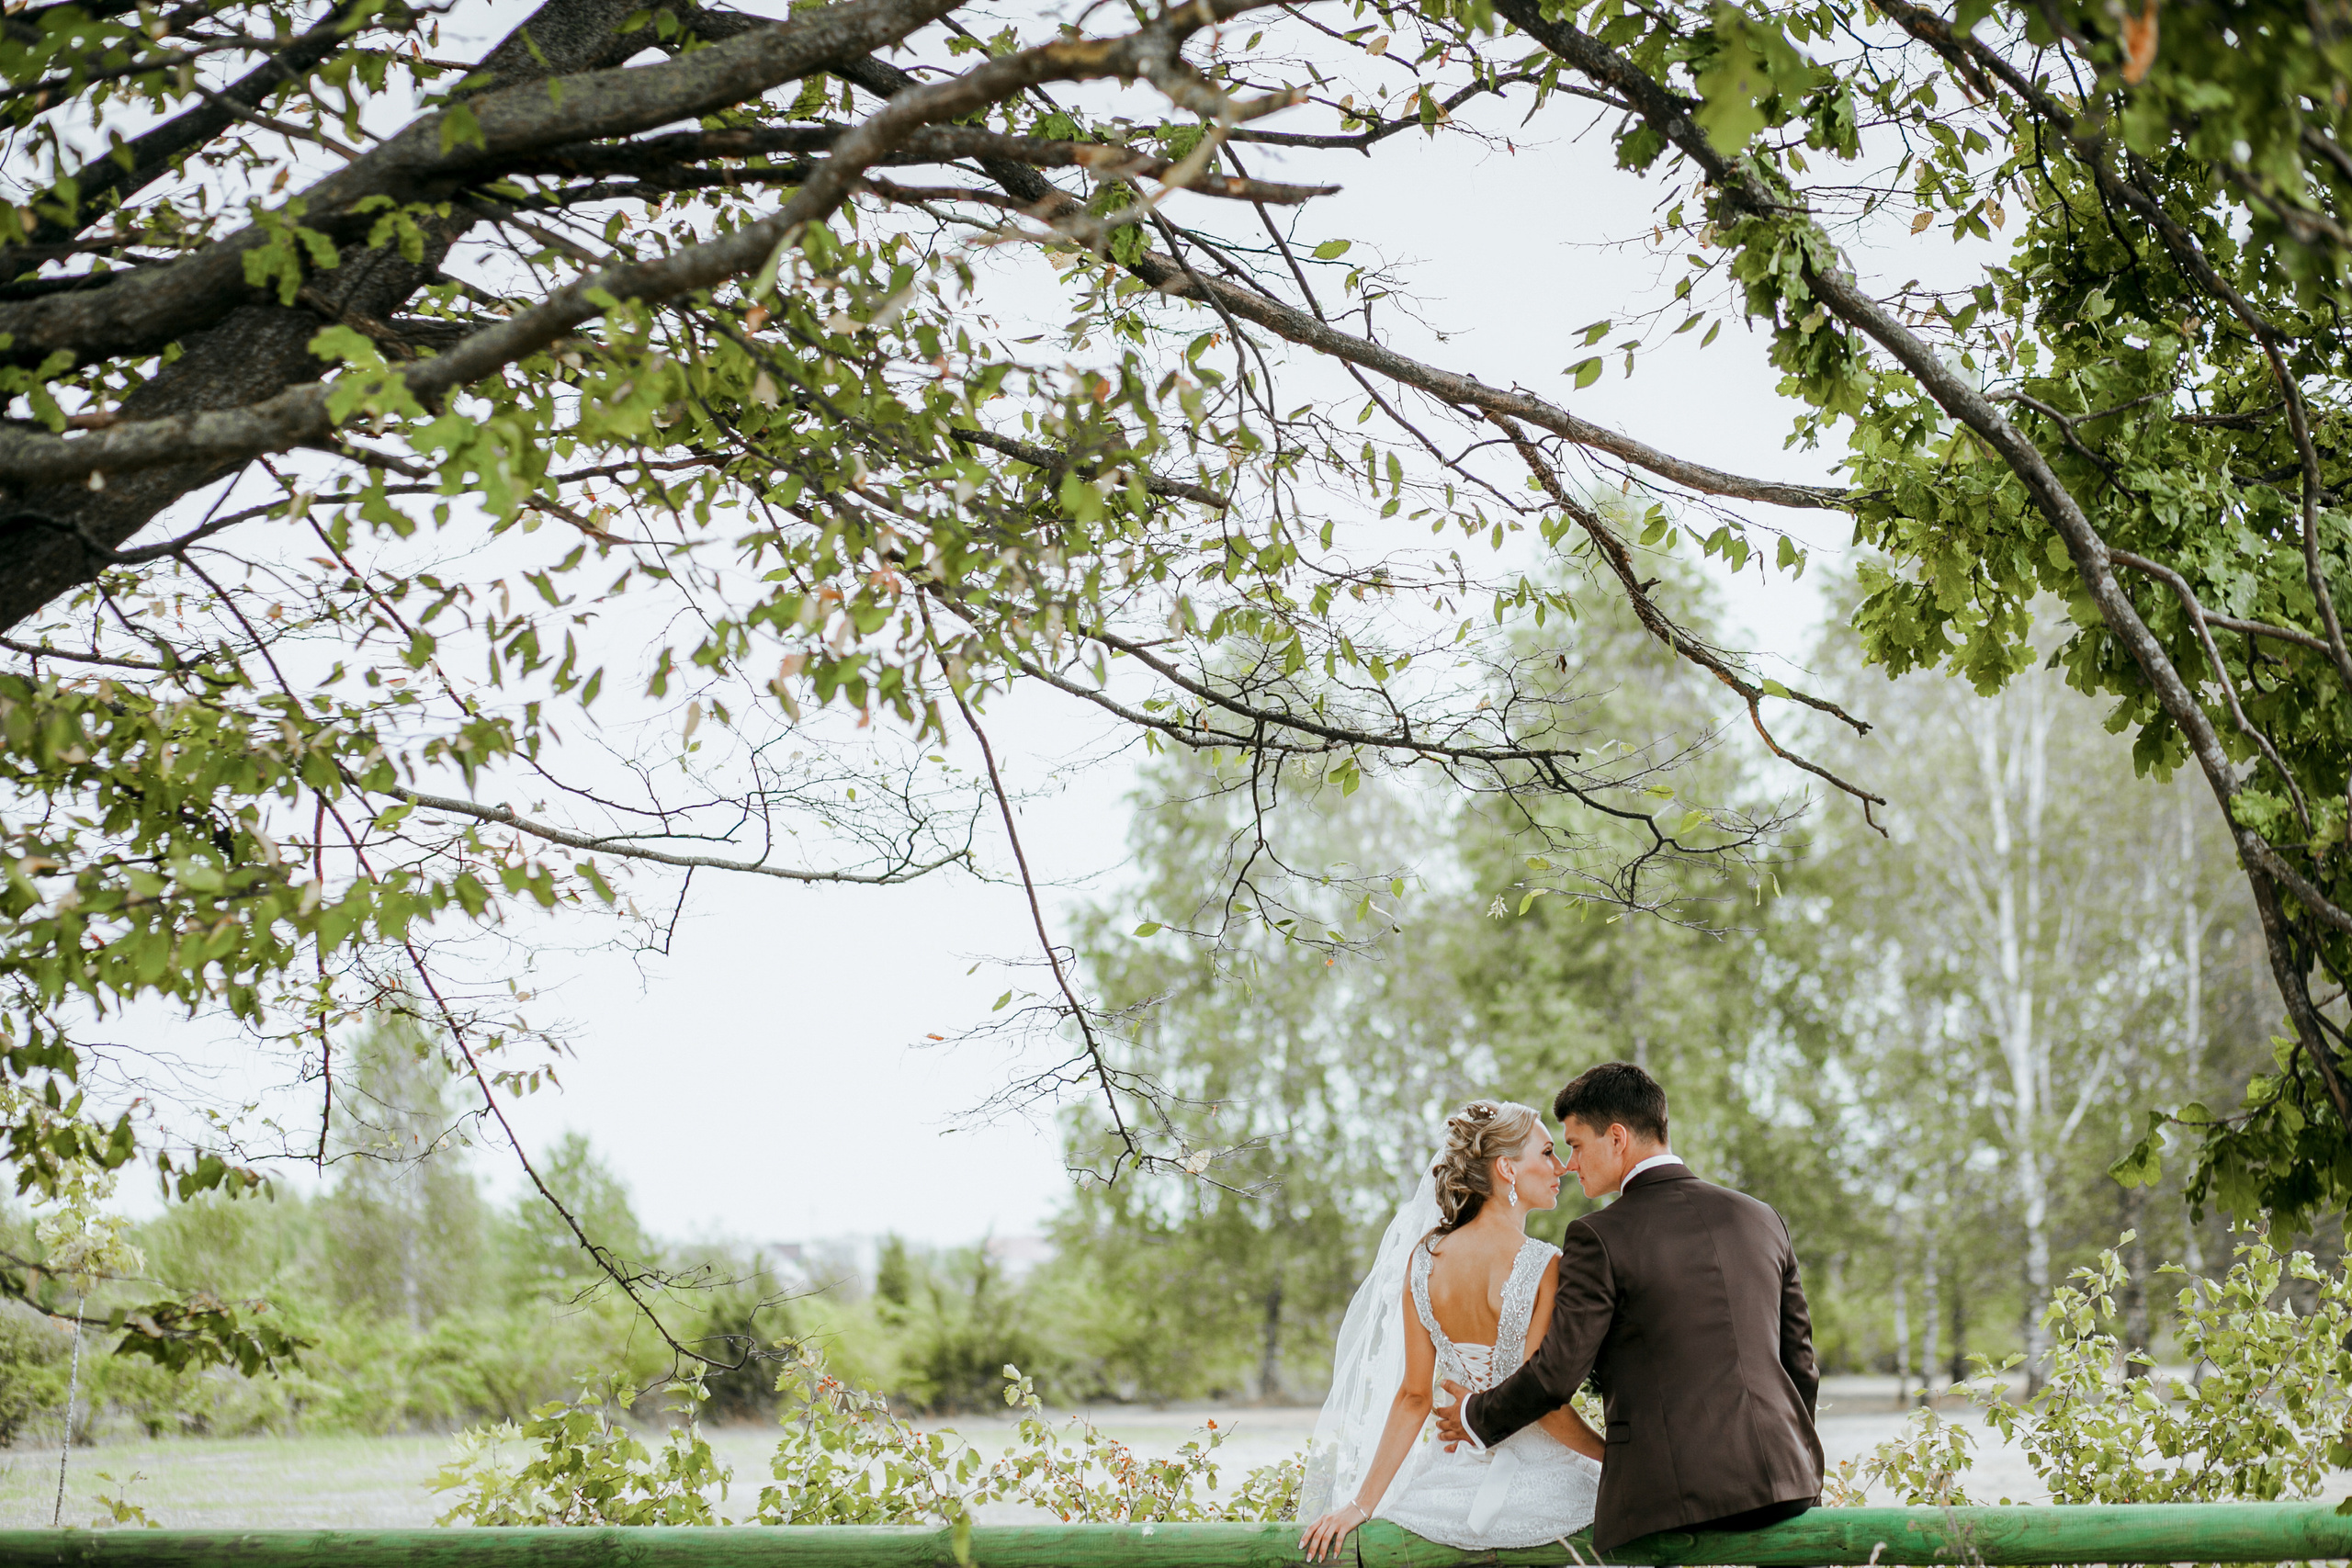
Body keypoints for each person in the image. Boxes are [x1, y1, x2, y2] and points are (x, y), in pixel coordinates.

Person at [1430, 1062, 1825, 1555]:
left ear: (1617, 1138)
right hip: (1787, 1482)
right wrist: (1792, 1459)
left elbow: (1556, 1375)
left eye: (1576, 1145)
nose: (1569, 1164)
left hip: (1668, 1499)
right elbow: (1801, 1365)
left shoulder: (1598, 1236)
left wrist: (1474, 1414)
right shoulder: (1762, 1218)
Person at [1296, 1100, 1605, 1558]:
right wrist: (1611, 1456)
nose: (1560, 1167)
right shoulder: (1545, 1265)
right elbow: (1541, 1403)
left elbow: (1413, 1398)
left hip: (1446, 1484)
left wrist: (1361, 1505)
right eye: (1546, 1153)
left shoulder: (1423, 1262)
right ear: (1507, 1168)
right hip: (1542, 1487)